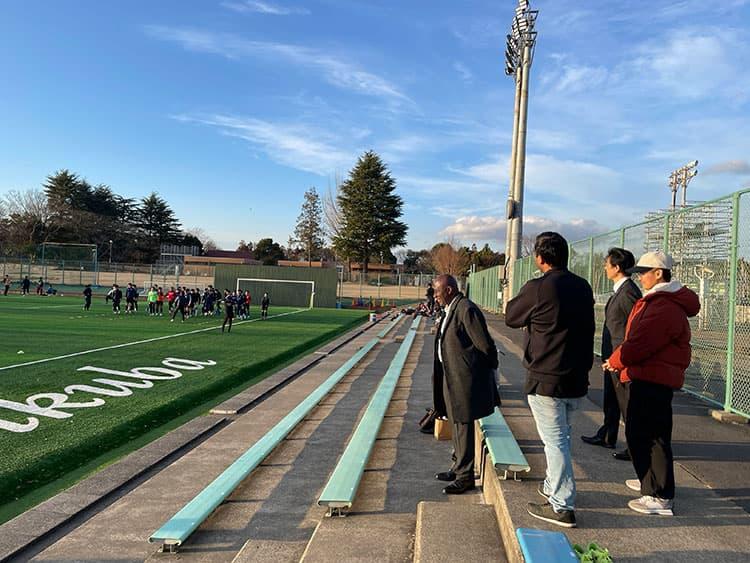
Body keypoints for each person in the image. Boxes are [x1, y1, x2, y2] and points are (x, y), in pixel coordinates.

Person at [505, 232, 595, 528]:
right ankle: (552, 487)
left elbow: (511, 317)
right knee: (562, 438)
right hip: (577, 378)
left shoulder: (539, 287)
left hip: (547, 378)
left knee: (555, 443)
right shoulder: (583, 286)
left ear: (541, 258)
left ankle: (561, 506)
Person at [605, 251, 699, 516]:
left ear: (659, 273)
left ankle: (659, 494)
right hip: (649, 375)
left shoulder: (664, 306)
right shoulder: (660, 301)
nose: (640, 277)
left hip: (652, 378)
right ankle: (649, 479)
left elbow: (640, 343)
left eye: (644, 271)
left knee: (651, 436)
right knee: (644, 433)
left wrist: (616, 360)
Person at [432, 274, 500, 495]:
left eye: (437, 291)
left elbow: (485, 345)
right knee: (456, 423)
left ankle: (465, 476)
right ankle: (458, 466)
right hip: (450, 376)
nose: (435, 295)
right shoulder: (452, 308)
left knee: (463, 425)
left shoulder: (465, 309)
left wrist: (478, 372)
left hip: (463, 378)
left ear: (449, 290)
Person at [581, 248, 641, 460]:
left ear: (617, 268)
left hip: (621, 357)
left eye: (607, 264)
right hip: (612, 355)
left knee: (626, 402)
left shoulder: (629, 293)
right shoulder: (621, 291)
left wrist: (622, 357)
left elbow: (634, 329)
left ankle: (635, 447)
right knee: (612, 397)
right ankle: (607, 434)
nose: (605, 267)